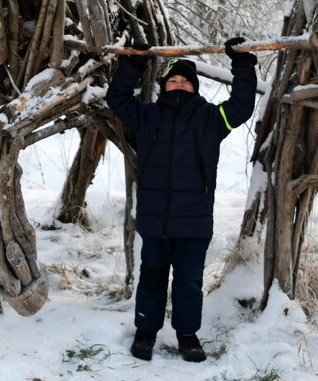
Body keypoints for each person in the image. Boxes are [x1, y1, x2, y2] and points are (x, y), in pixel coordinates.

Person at [106, 38, 258, 362]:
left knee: (189, 283)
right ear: (163, 86)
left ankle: (187, 336)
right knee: (152, 280)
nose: (178, 84)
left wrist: (242, 65)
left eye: (184, 81)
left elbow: (242, 106)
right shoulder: (147, 117)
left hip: (193, 221)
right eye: (172, 80)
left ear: (195, 87)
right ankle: (146, 333)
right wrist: (133, 62)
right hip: (154, 220)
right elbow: (117, 99)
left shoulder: (212, 119)